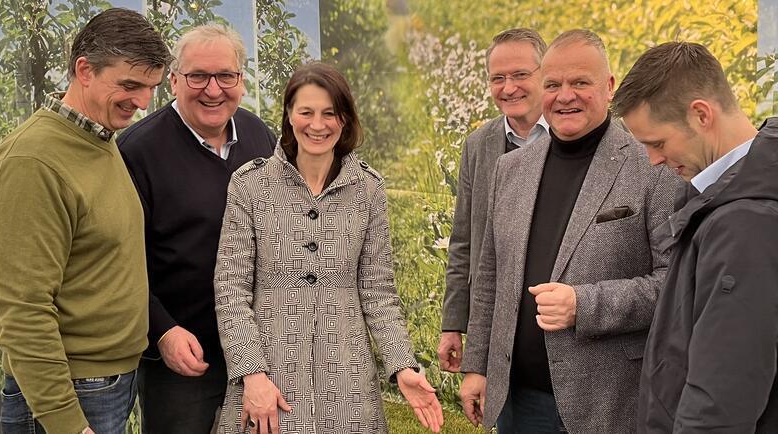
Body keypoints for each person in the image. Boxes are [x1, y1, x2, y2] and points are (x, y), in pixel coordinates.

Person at [458, 29, 681, 433]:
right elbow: (491, 278)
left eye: (580, 82)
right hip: (519, 402)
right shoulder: (510, 170)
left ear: (609, 86)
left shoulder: (652, 167)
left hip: (608, 404)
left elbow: (676, 284)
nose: (565, 96)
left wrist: (585, 304)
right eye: (553, 84)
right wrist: (477, 366)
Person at [213, 62, 443, 434]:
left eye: (329, 114)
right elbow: (231, 290)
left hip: (348, 381)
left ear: (345, 120)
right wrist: (251, 374)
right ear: (289, 116)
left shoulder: (368, 189)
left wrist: (403, 366)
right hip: (269, 377)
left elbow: (378, 292)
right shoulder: (250, 185)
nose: (317, 125)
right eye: (306, 112)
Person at [0, 8, 170, 434]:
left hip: (107, 385)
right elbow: (23, 310)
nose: (142, 102)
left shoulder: (98, 139)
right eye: (129, 85)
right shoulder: (34, 162)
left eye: (151, 88)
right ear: (84, 70)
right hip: (70, 395)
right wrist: (67, 423)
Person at [117, 24, 276, 433]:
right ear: (173, 80)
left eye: (226, 76)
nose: (213, 89)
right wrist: (163, 331)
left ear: (241, 79)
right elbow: (119, 263)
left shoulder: (260, 135)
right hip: (184, 355)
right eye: (198, 76)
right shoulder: (136, 151)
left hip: (259, 347)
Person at [612, 41, 778, 433]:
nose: (653, 160)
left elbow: (721, 396)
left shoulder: (744, 221)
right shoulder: (726, 199)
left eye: (657, 143)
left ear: (701, 114)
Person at [438, 28, 548, 373]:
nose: (508, 87)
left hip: (556, 323)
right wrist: (452, 323)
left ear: (545, 75)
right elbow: (463, 241)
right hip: (500, 330)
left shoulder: (571, 136)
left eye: (520, 75)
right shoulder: (479, 145)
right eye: (497, 78)